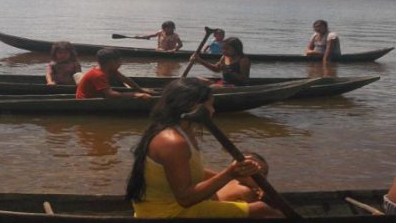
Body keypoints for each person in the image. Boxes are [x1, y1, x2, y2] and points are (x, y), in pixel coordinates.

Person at [125, 78, 282, 218]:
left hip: (171, 206)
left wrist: (238, 177)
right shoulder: (173, 142)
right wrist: (229, 174)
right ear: (195, 107)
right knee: (264, 210)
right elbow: (186, 199)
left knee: (242, 191)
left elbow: (191, 170)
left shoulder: (182, 129)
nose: (213, 110)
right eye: (210, 105)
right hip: (166, 213)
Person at [75, 48, 153, 99]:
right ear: (111, 62)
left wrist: (141, 90)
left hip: (97, 94)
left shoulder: (111, 70)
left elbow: (126, 80)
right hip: (85, 99)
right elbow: (110, 95)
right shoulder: (98, 75)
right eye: (119, 61)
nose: (121, 63)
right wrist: (135, 94)